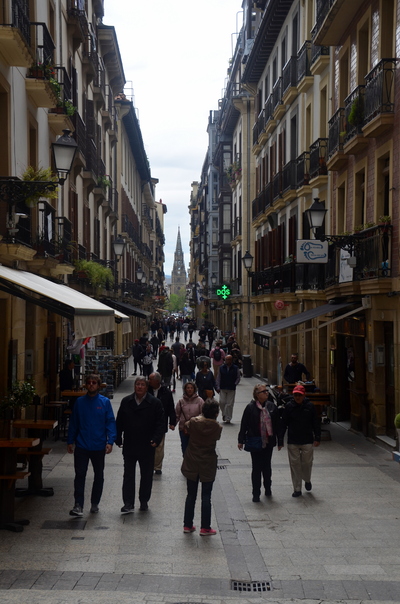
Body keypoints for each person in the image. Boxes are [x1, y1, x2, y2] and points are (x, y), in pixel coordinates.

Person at [67, 374, 116, 516]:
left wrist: (110, 441)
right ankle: (78, 504)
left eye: (94, 382)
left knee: (99, 475)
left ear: (99, 385)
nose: (91, 385)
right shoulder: (79, 402)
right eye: (89, 382)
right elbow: (74, 423)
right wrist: (70, 441)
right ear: (86, 385)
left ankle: (95, 502)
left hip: (98, 445)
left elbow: (110, 422)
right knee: (80, 474)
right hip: (82, 445)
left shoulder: (104, 402)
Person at [115, 376, 164, 513]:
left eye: (142, 384)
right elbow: (119, 421)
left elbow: (160, 424)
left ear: (147, 387)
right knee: (128, 475)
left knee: (146, 475)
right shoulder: (126, 401)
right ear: (134, 386)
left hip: (147, 445)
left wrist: (156, 439)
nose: (140, 387)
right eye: (138, 384)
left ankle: (144, 500)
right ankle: (128, 503)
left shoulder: (155, 403)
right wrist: (118, 438)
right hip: (130, 443)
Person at [181, 399, 222, 536]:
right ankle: (205, 527)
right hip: (208, 462)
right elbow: (216, 437)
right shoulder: (217, 427)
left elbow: (186, 426)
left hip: (192, 460)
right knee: (206, 496)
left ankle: (187, 524)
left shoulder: (194, 422)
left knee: (191, 495)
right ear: (216, 413)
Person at [238, 383, 283, 502]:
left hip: (269, 441)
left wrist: (280, 441)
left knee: (267, 466)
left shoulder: (272, 407)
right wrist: (240, 440)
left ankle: (268, 488)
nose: (266, 393)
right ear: (257, 395)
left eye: (266, 391)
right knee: (256, 467)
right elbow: (244, 424)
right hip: (255, 441)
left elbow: (278, 425)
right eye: (263, 392)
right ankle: (256, 493)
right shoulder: (250, 408)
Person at [280, 383, 321, 497]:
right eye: (295, 395)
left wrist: (317, 437)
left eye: (299, 395)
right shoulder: (289, 406)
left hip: (307, 439)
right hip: (293, 440)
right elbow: (283, 423)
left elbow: (315, 423)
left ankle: (307, 479)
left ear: (304, 395)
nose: (297, 397)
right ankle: (297, 488)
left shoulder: (310, 407)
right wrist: (280, 440)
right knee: (295, 465)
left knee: (307, 463)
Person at [148, 372, 176, 475]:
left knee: (159, 446)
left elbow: (170, 408)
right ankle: (149, 464)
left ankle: (157, 466)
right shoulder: (146, 390)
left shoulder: (166, 392)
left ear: (157, 381)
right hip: (147, 422)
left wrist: (172, 422)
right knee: (148, 445)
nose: (148, 381)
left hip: (161, 423)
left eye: (150, 379)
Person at [175, 382, 204, 455]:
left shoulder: (200, 401)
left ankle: (194, 462)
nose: (189, 390)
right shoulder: (181, 401)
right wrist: (173, 424)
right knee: (185, 446)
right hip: (184, 428)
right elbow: (177, 414)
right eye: (188, 388)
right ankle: (186, 460)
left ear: (194, 389)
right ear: (185, 389)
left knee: (195, 447)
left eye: (191, 388)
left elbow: (203, 414)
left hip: (196, 428)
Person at [216, 355, 240, 423]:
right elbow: (218, 377)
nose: (227, 361)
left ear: (231, 360)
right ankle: (224, 414)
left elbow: (238, 377)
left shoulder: (235, 368)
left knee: (229, 404)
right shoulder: (221, 368)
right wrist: (218, 386)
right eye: (226, 359)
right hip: (223, 387)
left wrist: (235, 383)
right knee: (222, 402)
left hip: (231, 388)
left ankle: (228, 417)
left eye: (229, 359)